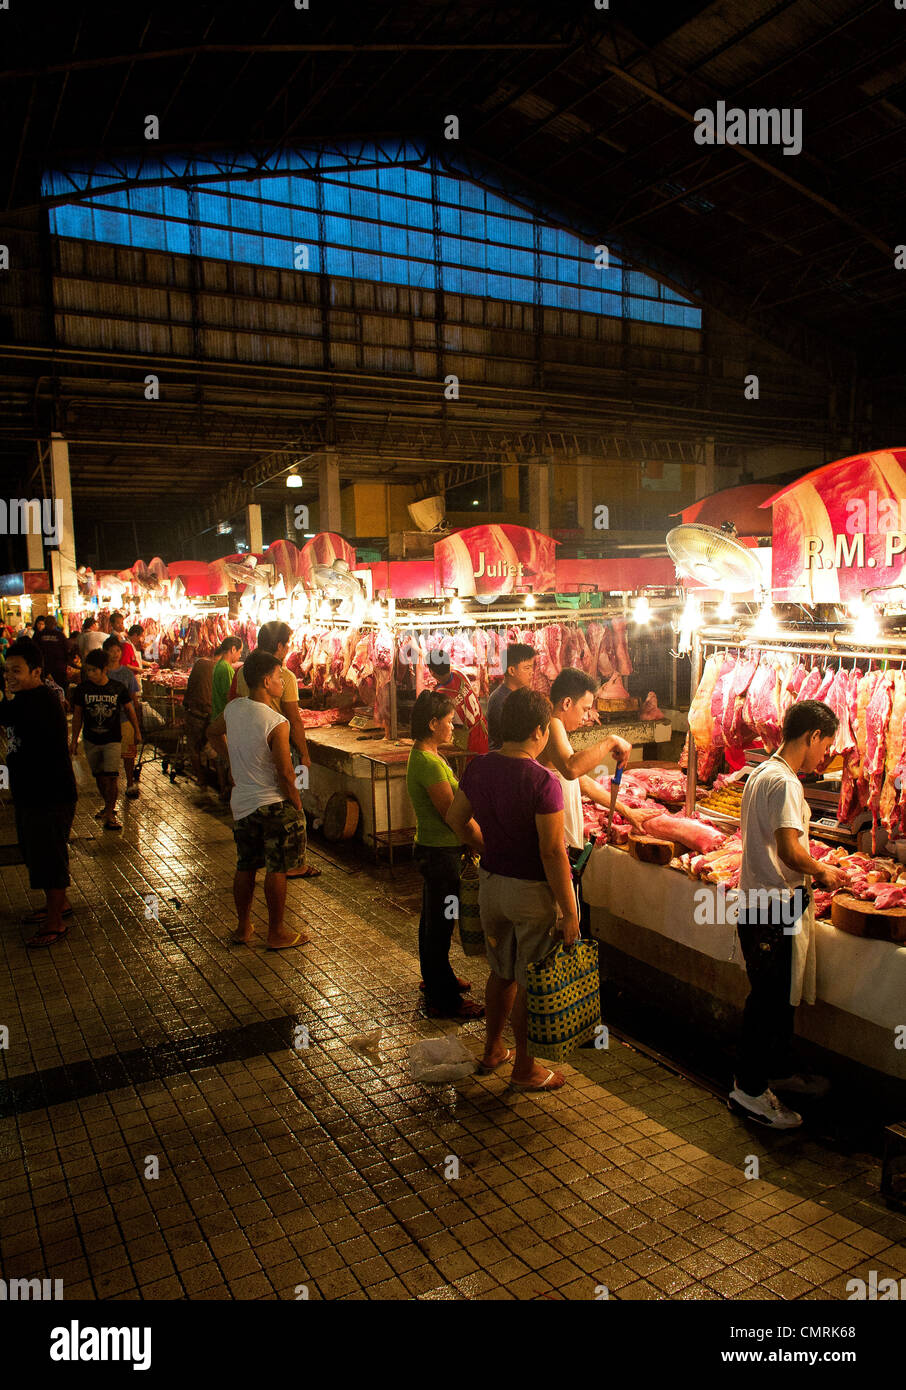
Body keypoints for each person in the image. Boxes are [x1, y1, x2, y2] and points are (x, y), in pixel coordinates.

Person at [447, 687, 578, 1092]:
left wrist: (487, 844)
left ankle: (492, 1050)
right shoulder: (543, 781)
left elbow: (456, 819)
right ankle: (525, 1068)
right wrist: (571, 912)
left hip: (491, 887)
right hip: (531, 894)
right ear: (540, 730)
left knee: (501, 972)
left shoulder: (480, 767)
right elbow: (553, 851)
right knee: (530, 979)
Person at [730, 700, 845, 1130]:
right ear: (811, 736)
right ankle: (750, 1091)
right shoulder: (785, 784)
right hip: (772, 906)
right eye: (826, 744)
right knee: (767, 1000)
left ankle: (774, 1073)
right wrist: (824, 869)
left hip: (760, 903)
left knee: (774, 999)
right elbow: (789, 850)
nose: (826, 755)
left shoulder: (763, 772)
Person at [208, 650, 309, 950]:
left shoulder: (234, 709)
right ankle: (276, 932)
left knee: (246, 865)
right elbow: (285, 772)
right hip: (274, 804)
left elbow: (211, 733)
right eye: (279, 677)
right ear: (267, 681)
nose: (282, 682)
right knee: (277, 868)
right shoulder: (276, 722)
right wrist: (297, 805)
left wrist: (232, 760)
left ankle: (243, 927)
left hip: (243, 805)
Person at [406, 690, 484, 1021]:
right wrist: (482, 843)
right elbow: (453, 814)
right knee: (439, 924)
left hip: (435, 850)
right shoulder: (426, 762)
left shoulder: (430, 756)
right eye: (449, 721)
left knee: (433, 920)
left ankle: (440, 978)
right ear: (432, 723)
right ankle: (443, 1000)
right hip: (440, 854)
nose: (453, 726)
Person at [0, 638, 78, 947]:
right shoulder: (19, 700)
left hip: (50, 795)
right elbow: (9, 745)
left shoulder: (43, 701)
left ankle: (56, 922)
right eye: (6, 670)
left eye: (16, 671)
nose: (9, 676)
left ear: (36, 671)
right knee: (36, 854)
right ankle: (58, 905)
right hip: (28, 795)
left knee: (49, 858)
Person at [230, 621, 315, 877]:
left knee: (246, 864)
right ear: (279, 645)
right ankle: (291, 864)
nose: (289, 648)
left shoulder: (244, 671)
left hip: (247, 758)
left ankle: (245, 917)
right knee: (288, 802)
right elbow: (294, 718)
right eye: (288, 643)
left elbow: (231, 707)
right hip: (278, 747)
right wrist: (305, 754)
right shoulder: (286, 677)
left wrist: (231, 755)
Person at [70, 649, 140, 831]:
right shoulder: (82, 689)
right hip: (91, 740)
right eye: (88, 670)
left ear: (104, 669)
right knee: (100, 777)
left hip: (112, 739)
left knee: (111, 776)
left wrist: (137, 731)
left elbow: (130, 710)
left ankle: (110, 814)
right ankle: (107, 805)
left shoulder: (117, 688)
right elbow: (77, 716)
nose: (90, 674)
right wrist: (73, 740)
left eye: (94, 670)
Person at [103, 636, 142, 798]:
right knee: (109, 757)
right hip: (107, 721)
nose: (115, 654)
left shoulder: (126, 673)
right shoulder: (102, 672)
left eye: (117, 651)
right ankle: (111, 787)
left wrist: (137, 724)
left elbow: (134, 697)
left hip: (126, 720)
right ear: (105, 652)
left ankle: (130, 783)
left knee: (128, 755)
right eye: (111, 651)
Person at [430, 652, 489, 755]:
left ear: (432, 672)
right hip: (482, 729)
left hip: (468, 740)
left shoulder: (441, 694)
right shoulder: (459, 673)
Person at [487, 643, 536, 750]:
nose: (531, 673)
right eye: (527, 668)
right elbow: (513, 738)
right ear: (511, 671)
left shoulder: (516, 695)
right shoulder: (501, 699)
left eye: (531, 668)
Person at [184, 652, 215, 784]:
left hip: (194, 712)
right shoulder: (221, 667)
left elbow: (190, 685)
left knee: (194, 747)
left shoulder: (200, 664)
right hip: (209, 713)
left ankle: (200, 778)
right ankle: (220, 780)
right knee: (211, 748)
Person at [34, 614, 70, 691]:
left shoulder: (38, 635)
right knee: (61, 690)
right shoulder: (60, 635)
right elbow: (67, 650)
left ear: (45, 624)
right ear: (55, 624)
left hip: (45, 669)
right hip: (59, 668)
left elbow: (34, 651)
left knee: (47, 690)